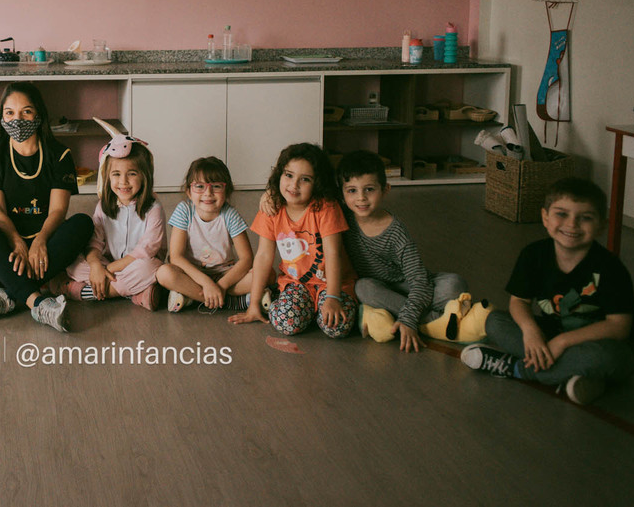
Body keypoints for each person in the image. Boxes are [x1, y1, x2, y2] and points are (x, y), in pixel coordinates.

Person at [462, 177, 634, 405]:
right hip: (551, 335)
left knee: (608, 358)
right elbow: (519, 302)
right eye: (561, 214)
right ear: (545, 217)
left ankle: (517, 368)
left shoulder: (610, 268)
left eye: (585, 218)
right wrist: (531, 332)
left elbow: (619, 327)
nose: (572, 224)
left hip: (600, 344)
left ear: (601, 225)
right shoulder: (533, 255)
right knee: (494, 321)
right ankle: (578, 377)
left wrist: (562, 342)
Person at [0, 82, 93, 331]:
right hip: (8, 244)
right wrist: (16, 241)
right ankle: (38, 301)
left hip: (46, 244)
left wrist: (40, 241)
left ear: (39, 115)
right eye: (10, 112)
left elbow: (58, 211)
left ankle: (8, 295)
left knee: (83, 223)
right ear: (1, 117)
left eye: (26, 111)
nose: (18, 119)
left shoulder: (60, 154)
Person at [336, 150, 470, 352]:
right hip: (376, 288)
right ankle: (433, 321)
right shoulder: (342, 215)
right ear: (342, 193)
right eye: (352, 190)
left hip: (404, 284)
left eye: (369, 189)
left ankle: (404, 316)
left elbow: (419, 281)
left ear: (385, 190)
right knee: (363, 288)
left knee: (454, 285)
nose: (361, 198)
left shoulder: (396, 232)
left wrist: (408, 318)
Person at [229, 143, 356, 337]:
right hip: (298, 283)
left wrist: (332, 297)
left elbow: (333, 254)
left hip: (332, 283)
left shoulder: (326, 207)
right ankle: (300, 306)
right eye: (289, 175)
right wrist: (253, 305)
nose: (294, 185)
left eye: (305, 179)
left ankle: (333, 308)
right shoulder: (271, 208)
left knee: (336, 328)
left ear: (317, 183)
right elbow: (263, 256)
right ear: (279, 175)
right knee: (285, 323)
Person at [57, 126, 165, 310]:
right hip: (108, 262)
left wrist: (106, 271)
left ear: (144, 176)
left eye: (132, 174)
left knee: (153, 268)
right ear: (107, 176)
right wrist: (96, 266)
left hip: (137, 264)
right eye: (116, 174)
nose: (123, 181)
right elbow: (95, 242)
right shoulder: (104, 205)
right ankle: (135, 293)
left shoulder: (153, 207)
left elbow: (146, 250)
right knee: (73, 263)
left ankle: (81, 291)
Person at [156, 157, 254, 314]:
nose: (208, 193)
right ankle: (229, 300)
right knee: (164, 273)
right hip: (193, 275)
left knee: (266, 274)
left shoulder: (230, 215)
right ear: (189, 192)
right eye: (200, 186)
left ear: (227, 191)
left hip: (225, 275)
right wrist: (206, 283)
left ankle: (194, 297)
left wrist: (220, 286)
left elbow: (247, 259)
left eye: (216, 186)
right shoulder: (184, 210)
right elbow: (176, 257)